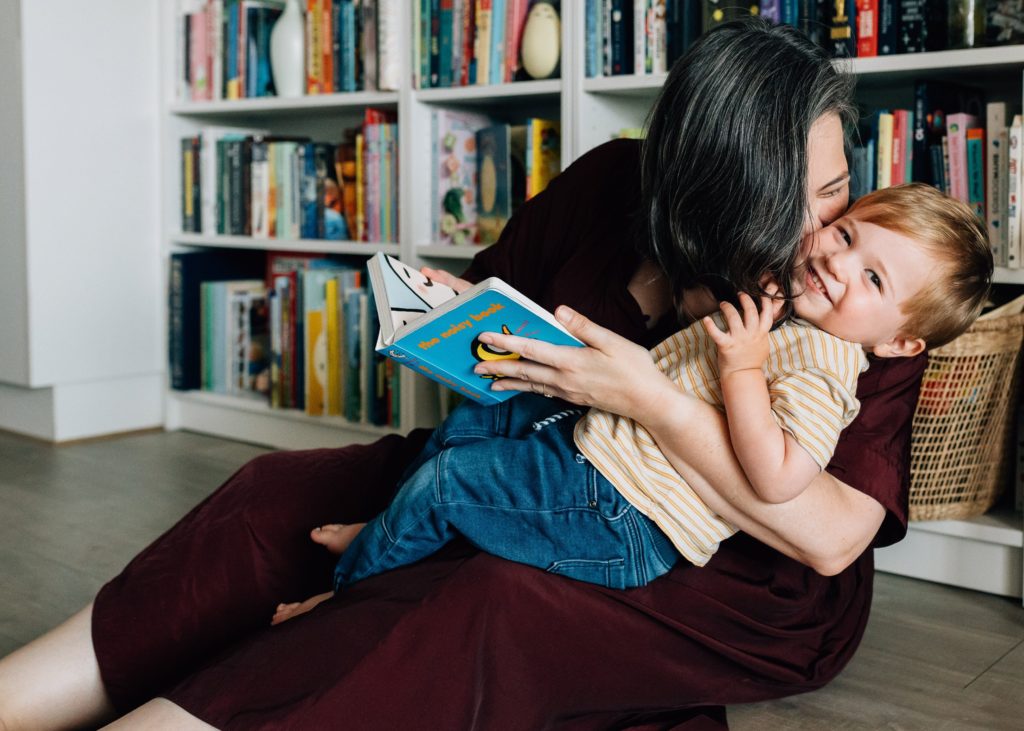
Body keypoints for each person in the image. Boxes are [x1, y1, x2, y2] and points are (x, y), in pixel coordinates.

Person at [0, 18, 930, 730]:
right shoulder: (615, 182)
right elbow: (497, 310)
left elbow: (825, 539)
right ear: (708, 182)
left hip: (724, 571)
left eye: (838, 188)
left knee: (474, 594)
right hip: (536, 454)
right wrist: (455, 310)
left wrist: (641, 394)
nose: (829, 234)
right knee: (274, 493)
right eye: (811, 201)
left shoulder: (844, 308)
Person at [271, 183, 991, 624]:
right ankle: (392, 525)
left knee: (449, 482)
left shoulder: (828, 366)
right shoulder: (791, 315)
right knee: (491, 412)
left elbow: (778, 476)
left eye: (870, 277)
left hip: (622, 517)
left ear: (898, 345)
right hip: (598, 452)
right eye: (844, 234)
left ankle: (343, 596)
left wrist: (742, 366)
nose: (836, 262)